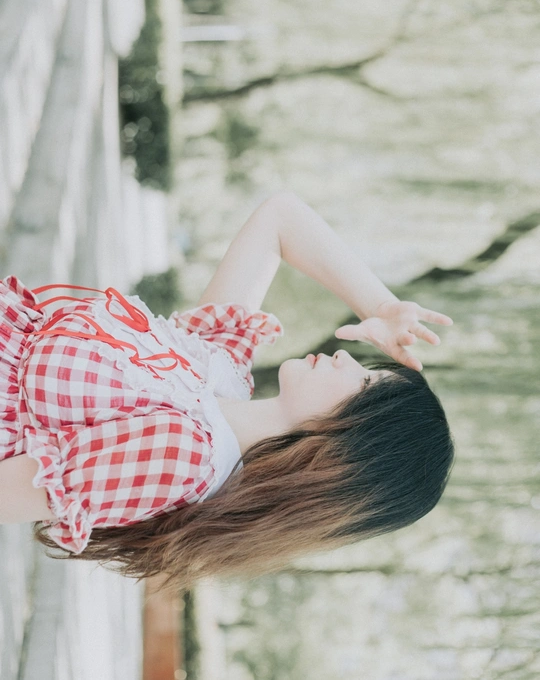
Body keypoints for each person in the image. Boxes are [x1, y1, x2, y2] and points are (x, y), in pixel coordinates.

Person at [0, 192, 454, 589]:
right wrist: (380, 305)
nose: (346, 357)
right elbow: (280, 217)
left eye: (366, 381)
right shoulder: (220, 370)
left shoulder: (184, 456)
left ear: (348, 444)